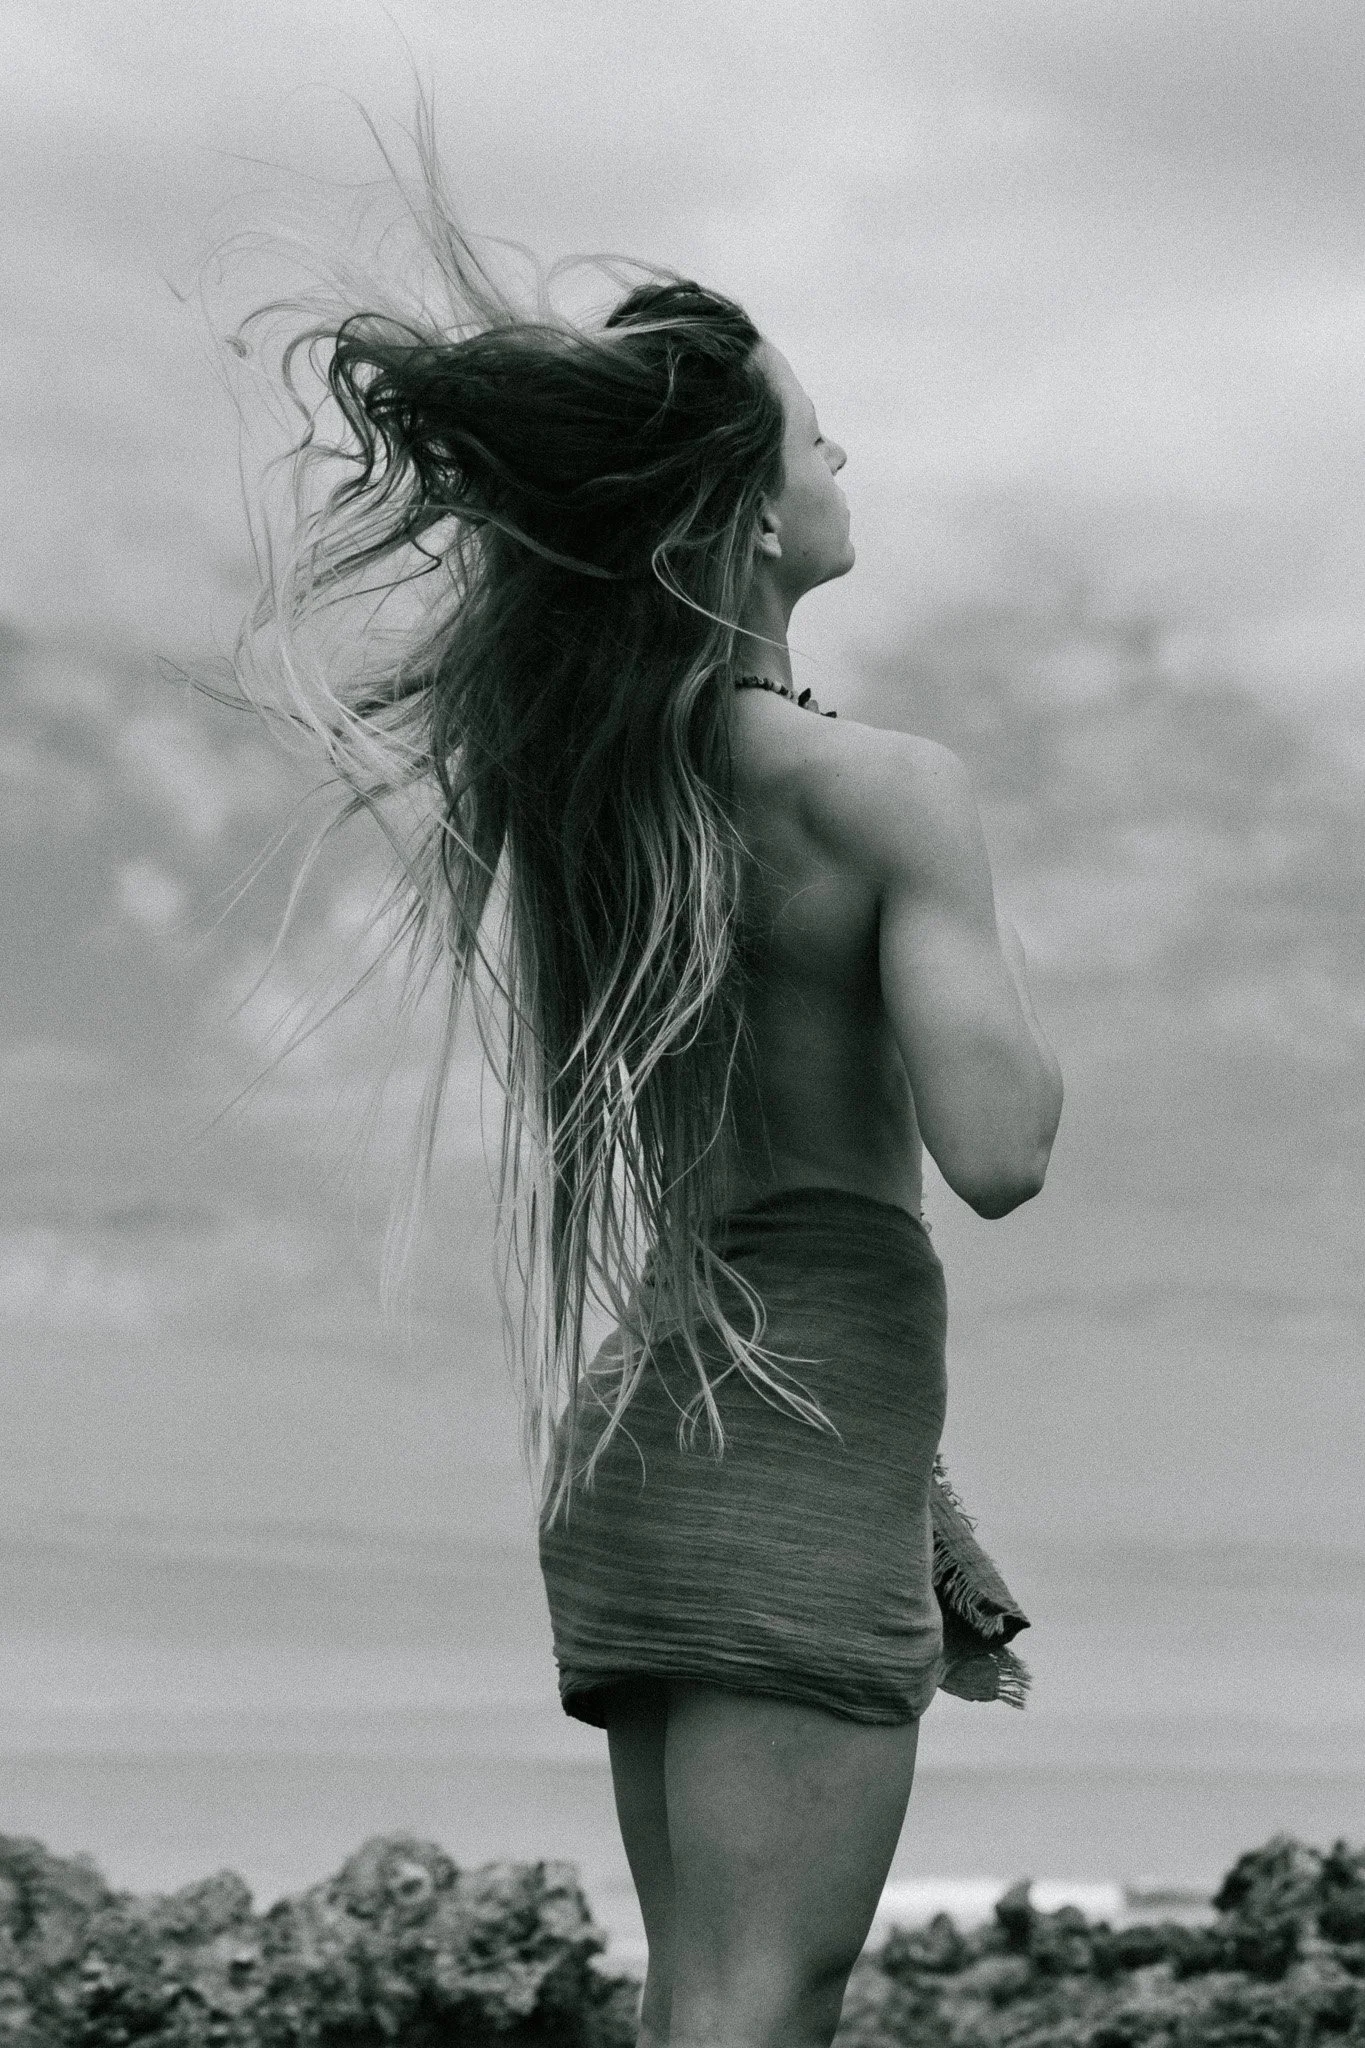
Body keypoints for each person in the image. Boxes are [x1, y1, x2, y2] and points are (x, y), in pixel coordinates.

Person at [235, 152, 1063, 2048]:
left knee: (697, 1997)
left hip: (662, 1433)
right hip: (792, 1429)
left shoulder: (598, 797)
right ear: (741, 516)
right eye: (817, 443)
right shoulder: (883, 790)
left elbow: (743, 1227)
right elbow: (998, 1155)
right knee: (762, 2011)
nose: (846, 462)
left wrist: (923, 1517)